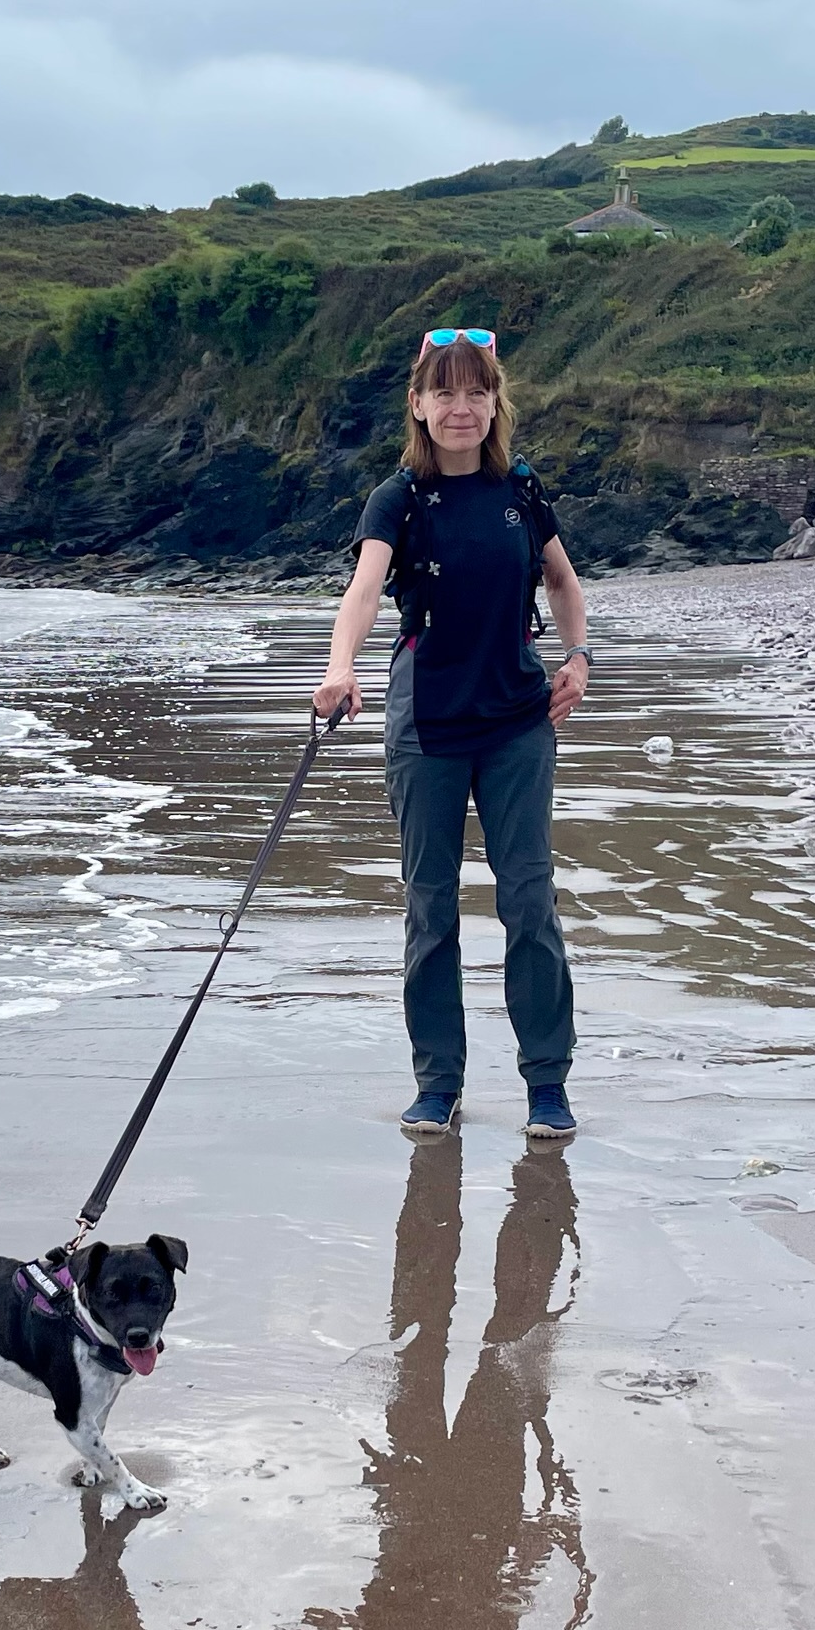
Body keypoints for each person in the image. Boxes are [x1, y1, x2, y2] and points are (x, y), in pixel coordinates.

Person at [312, 327, 592, 1139]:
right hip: (424, 722)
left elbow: (565, 581)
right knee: (431, 908)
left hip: (515, 718)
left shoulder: (522, 489)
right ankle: (439, 1082)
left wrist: (577, 659)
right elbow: (364, 589)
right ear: (419, 405)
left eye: (476, 391)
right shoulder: (396, 499)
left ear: (495, 402)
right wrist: (340, 667)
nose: (461, 406)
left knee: (528, 900)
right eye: (445, 391)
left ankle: (547, 1082)